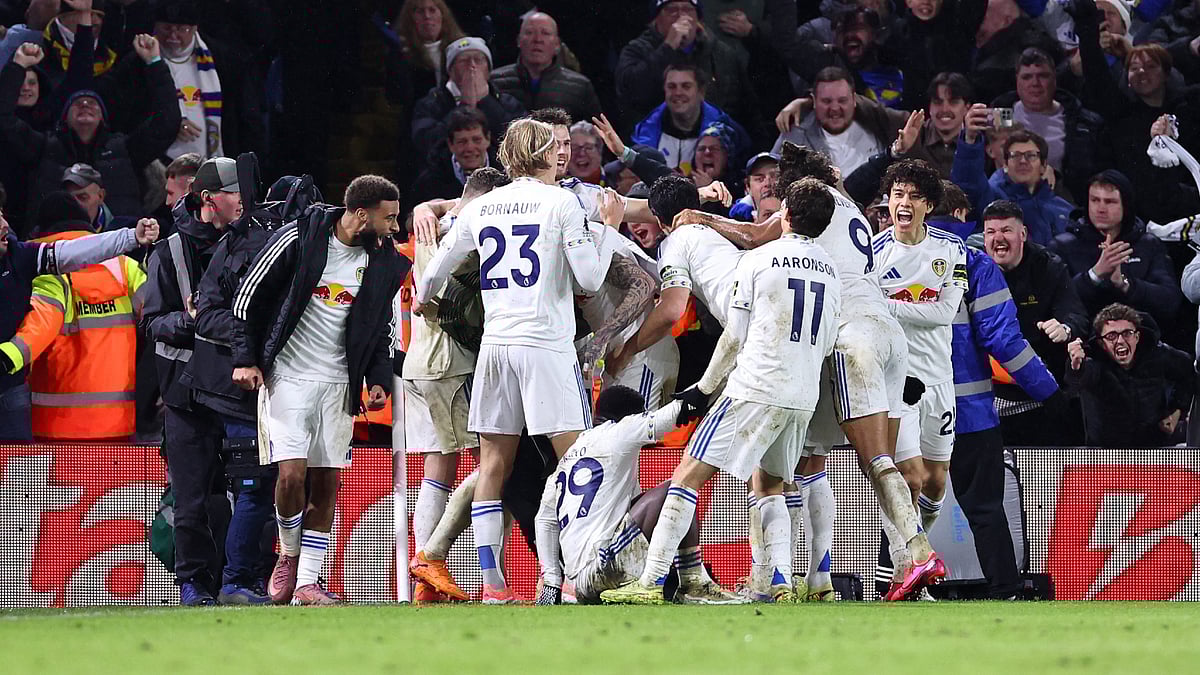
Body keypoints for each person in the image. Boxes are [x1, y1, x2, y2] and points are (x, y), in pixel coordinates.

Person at [650, 144, 947, 602]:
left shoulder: (803, 216)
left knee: (836, 466)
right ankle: (830, 578)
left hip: (848, 341)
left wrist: (702, 217)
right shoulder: (848, 207)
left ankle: (909, 553)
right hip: (889, 334)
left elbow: (752, 236)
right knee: (829, 463)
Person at [600, 177, 843, 605]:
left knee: (687, 475)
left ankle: (652, 580)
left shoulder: (746, 255)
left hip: (755, 379)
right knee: (773, 483)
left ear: (784, 213)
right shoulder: (829, 267)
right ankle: (780, 582)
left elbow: (729, 332)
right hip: (802, 389)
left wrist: (704, 387)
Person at [413, 118, 609, 603]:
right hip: (545, 346)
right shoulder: (562, 202)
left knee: (493, 464)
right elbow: (587, 279)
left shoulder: (485, 204)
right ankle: (573, 575)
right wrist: (606, 231)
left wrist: (425, 296)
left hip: (496, 347)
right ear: (543, 153)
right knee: (575, 461)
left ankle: (494, 586)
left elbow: (440, 259)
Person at [232, 175, 409, 606]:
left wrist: (378, 381)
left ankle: (308, 582)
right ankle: (289, 555)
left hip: (338, 383)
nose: (396, 227)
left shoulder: (383, 261)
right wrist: (246, 358)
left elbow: (383, 328)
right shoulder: (300, 237)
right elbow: (248, 297)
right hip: (288, 375)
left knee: (327, 480)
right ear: (361, 215)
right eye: (389, 218)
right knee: (291, 475)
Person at [927, 185, 1061, 599]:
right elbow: (1004, 341)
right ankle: (1005, 591)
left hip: (909, 412)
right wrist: (1049, 392)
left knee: (905, 504)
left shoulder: (889, 257)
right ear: (965, 215)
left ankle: (890, 587)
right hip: (969, 414)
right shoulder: (976, 264)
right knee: (984, 508)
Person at [140, 156, 244, 606]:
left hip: (239, 392)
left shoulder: (251, 243)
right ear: (208, 199)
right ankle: (193, 584)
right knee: (192, 498)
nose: (244, 200)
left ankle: (239, 580)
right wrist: (193, 321)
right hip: (185, 397)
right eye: (235, 192)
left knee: (246, 496)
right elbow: (152, 323)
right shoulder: (169, 252)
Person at [535, 386, 742, 605]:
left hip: (577, 580)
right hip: (599, 570)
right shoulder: (620, 430)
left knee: (667, 508)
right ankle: (692, 583)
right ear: (631, 416)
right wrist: (711, 386)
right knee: (678, 488)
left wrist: (551, 581)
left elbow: (544, 521)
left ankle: (682, 580)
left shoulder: (568, 460)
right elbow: (673, 415)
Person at [404, 167, 505, 604]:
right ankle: (430, 562)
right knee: (495, 460)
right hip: (448, 364)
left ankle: (427, 581)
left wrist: (432, 205)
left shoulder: (433, 226)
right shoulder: (468, 238)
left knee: (439, 466)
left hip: (423, 363)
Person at [870, 159, 966, 592]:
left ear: (927, 204)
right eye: (897, 195)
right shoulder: (872, 252)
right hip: (895, 380)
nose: (903, 203)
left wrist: (886, 305)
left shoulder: (950, 250)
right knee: (908, 477)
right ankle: (904, 567)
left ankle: (914, 554)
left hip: (939, 379)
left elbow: (945, 312)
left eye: (912, 196)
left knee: (935, 480)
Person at [0, 184, 159, 441]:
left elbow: (42, 323)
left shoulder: (43, 270)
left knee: (55, 483)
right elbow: (157, 312)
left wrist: (9, 356)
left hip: (55, 421)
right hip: (118, 420)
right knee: (113, 483)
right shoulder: (124, 267)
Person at [1, 38, 180, 224]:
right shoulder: (43, 147)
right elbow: (4, 121)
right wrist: (18, 65)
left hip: (121, 245)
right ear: (64, 118)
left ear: (102, 118)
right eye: (77, 103)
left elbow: (167, 123)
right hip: (54, 244)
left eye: (93, 103)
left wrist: (155, 63)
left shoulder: (126, 149)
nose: (85, 104)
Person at [98, 0, 266, 161]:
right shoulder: (136, 63)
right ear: (155, 26)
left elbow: (246, 119)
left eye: (181, 29)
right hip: (157, 167)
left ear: (194, 28)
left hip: (216, 162)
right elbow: (123, 115)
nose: (173, 35)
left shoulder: (225, 61)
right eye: (166, 28)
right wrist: (166, 126)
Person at [981, 199, 1089, 446]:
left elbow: (1078, 317)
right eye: (991, 232)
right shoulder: (973, 269)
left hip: (1043, 399)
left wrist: (1065, 328)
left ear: (1023, 234)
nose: (999, 238)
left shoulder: (1049, 267)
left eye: (1006, 230)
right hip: (990, 401)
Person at [1049, 170, 1183, 331]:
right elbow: (1054, 301)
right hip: (1085, 341)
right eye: (1095, 200)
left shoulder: (1149, 244)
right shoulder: (1062, 246)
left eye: (1110, 202)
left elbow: (1170, 301)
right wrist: (1095, 275)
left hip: (1142, 339)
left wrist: (1125, 284)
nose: (1101, 209)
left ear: (1126, 205)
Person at [615, 0, 757, 130]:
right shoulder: (637, 50)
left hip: (713, 143)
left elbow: (746, 109)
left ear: (698, 18)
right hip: (655, 143)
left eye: (688, 9)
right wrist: (668, 47)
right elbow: (632, 94)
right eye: (671, 10)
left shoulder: (721, 53)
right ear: (656, 18)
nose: (680, 16)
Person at [1067, 303, 1194, 447]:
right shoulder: (1093, 363)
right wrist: (1076, 366)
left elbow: (1189, 371)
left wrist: (1177, 410)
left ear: (1137, 337)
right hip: (1106, 455)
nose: (1120, 341)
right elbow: (1078, 379)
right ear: (1102, 343)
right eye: (1111, 336)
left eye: (1127, 333)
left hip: (1154, 449)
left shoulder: (1157, 353)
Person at [988, 47, 1103, 200]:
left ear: (1054, 79)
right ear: (1017, 80)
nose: (1035, 83)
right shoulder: (1002, 113)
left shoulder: (1081, 122)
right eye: (1027, 77)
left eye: (1043, 76)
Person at [844, 72, 972, 204]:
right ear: (930, 106)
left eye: (953, 102)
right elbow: (873, 110)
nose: (945, 109)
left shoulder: (976, 142)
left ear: (967, 107)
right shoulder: (908, 127)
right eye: (937, 102)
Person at [951, 114, 1073, 245]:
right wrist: (970, 140)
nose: (1022, 161)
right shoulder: (992, 200)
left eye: (1031, 155)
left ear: (1044, 165)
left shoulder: (1064, 209)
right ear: (1005, 164)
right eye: (1015, 155)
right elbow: (968, 183)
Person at [411, 36, 527, 165]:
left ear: (488, 70)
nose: (472, 66)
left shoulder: (507, 102)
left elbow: (519, 139)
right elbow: (425, 141)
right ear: (450, 70)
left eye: (478, 60)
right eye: (464, 61)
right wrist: (464, 107)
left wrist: (486, 102)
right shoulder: (431, 103)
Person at [772, 66, 906, 176]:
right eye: (826, 101)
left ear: (854, 100)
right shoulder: (794, 137)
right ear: (813, 101)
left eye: (842, 101)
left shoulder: (875, 123)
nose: (835, 108)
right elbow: (772, 174)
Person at [630, 63, 749, 175]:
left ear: (701, 92)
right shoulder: (644, 133)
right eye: (671, 87)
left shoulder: (728, 133)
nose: (678, 92)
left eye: (686, 86)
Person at [489, 11, 602, 125]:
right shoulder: (495, 81)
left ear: (557, 44)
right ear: (519, 41)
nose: (538, 39)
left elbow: (595, 132)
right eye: (529, 32)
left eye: (545, 33)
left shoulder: (580, 86)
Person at [407, 107, 495, 214]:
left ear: (488, 139)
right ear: (450, 145)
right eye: (462, 142)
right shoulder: (429, 181)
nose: (470, 148)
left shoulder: (508, 174)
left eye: (476, 140)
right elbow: (410, 220)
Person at [729, 151, 779, 222]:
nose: (768, 183)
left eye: (775, 176)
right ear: (748, 187)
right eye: (759, 179)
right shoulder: (737, 223)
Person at [566, 121, 605, 185]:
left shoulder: (619, 180)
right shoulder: (556, 186)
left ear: (599, 150)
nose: (582, 153)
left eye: (588, 147)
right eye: (574, 148)